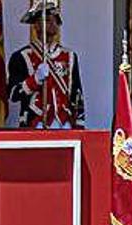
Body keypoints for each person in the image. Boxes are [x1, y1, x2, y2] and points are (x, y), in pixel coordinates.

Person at [7, 0, 85, 129]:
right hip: (35, 121)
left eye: (55, 20)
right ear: (36, 25)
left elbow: (77, 93)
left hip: (64, 122)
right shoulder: (21, 57)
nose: (53, 23)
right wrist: (35, 79)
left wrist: (79, 123)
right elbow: (13, 94)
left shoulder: (70, 56)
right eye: (47, 20)